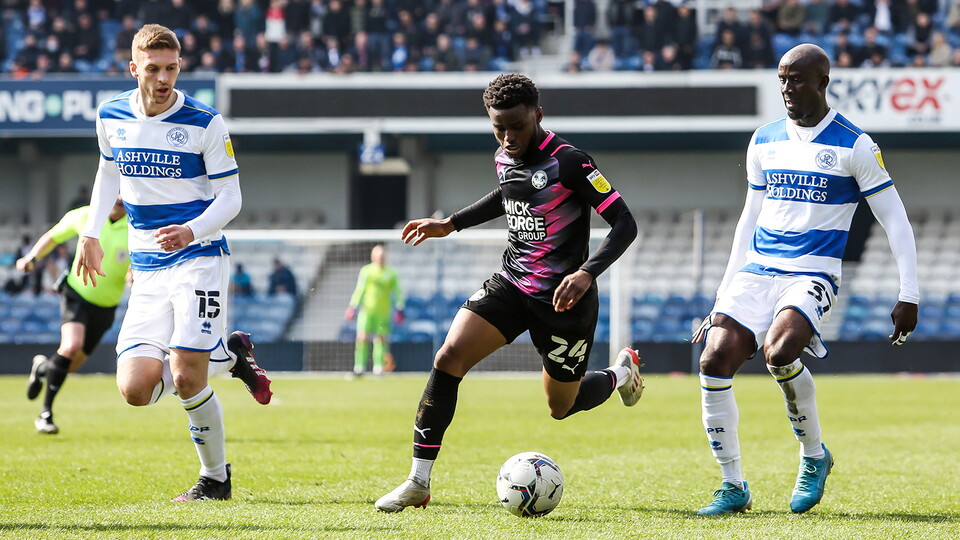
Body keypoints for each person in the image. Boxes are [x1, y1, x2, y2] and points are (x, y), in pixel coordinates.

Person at [375, 73, 644, 512]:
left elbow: (625, 223)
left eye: (516, 126)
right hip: (511, 284)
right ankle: (417, 482)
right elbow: (507, 194)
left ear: (537, 115)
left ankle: (619, 376)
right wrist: (452, 223)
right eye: (498, 127)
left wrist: (587, 273)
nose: (507, 136)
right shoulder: (504, 154)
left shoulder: (571, 161)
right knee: (448, 358)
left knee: (562, 406)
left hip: (564, 301)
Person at [692, 44, 919, 515]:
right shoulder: (764, 139)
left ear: (823, 81)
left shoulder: (855, 144)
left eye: (797, 79)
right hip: (758, 269)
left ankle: (814, 455)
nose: (787, 88)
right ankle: (733, 485)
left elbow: (894, 217)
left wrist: (908, 292)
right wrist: (722, 294)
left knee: (780, 352)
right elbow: (749, 217)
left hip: (812, 271)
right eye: (782, 78)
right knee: (714, 358)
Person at [75, 24, 273, 503]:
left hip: (199, 257)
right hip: (146, 266)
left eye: (171, 68)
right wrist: (90, 232)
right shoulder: (111, 115)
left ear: (179, 66)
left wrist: (192, 230)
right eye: (153, 69)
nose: (163, 78)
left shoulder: (205, 122)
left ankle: (215, 478)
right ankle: (226, 353)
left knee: (186, 375)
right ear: (133, 68)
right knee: (136, 390)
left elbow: (231, 197)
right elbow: (107, 174)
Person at [19, 197, 129, 434]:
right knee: (71, 347)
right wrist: (32, 259)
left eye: (123, 193)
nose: (119, 199)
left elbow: (139, 262)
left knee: (68, 366)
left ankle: (42, 368)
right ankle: (45, 414)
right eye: (115, 192)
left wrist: (134, 274)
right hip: (76, 294)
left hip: (106, 307)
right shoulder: (84, 215)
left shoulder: (137, 225)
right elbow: (53, 236)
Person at [344, 244, 404, 377]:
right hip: (366, 311)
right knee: (362, 338)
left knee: (380, 339)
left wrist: (400, 307)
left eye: (383, 255)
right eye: (379, 255)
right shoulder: (366, 271)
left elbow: (397, 292)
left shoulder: (391, 273)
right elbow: (360, 289)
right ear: (373, 257)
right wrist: (353, 306)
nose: (381, 258)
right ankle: (359, 367)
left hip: (382, 313)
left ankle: (378, 368)